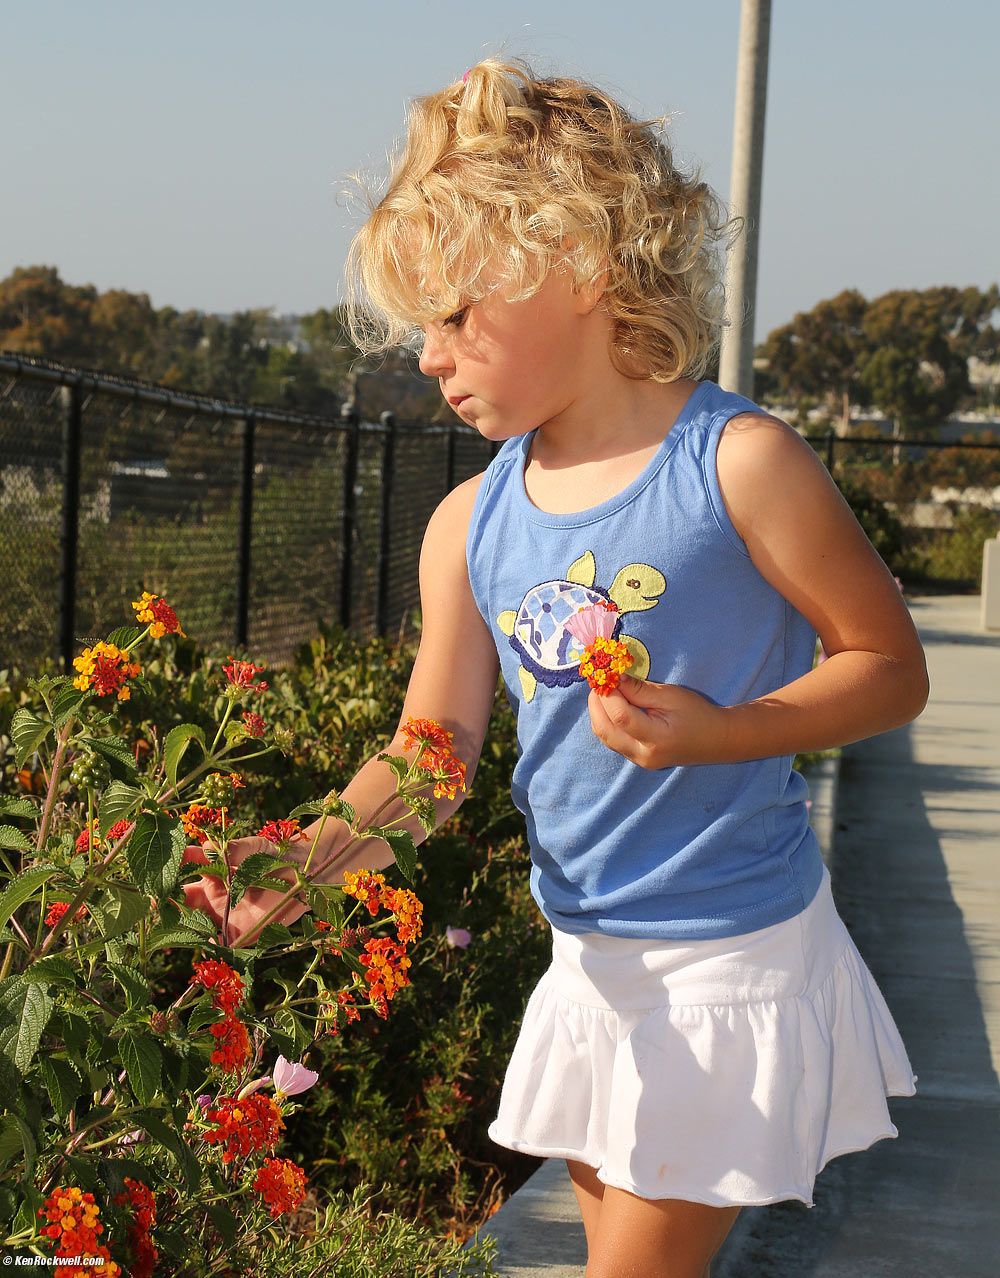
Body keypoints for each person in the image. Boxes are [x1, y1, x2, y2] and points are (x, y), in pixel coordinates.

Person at [186, 59, 927, 1278]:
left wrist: (719, 729)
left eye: (456, 314)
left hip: (726, 963)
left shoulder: (735, 465)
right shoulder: (467, 525)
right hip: (586, 963)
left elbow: (887, 667)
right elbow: (433, 760)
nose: (429, 354)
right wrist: (301, 859)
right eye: (420, 324)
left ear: (578, 266)